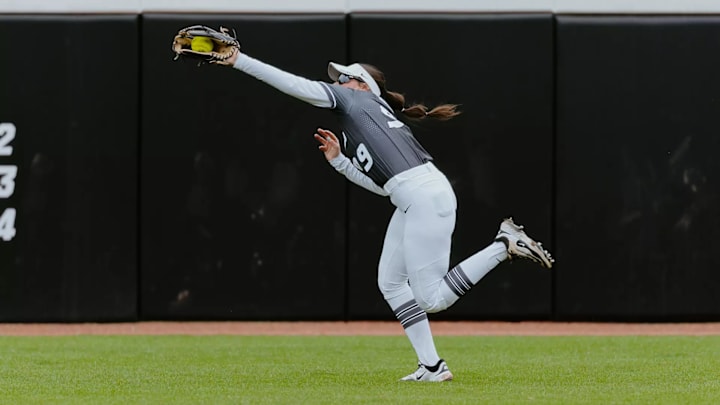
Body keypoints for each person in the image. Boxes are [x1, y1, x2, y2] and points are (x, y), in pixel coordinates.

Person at [218, 51, 554, 382]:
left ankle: (503, 244)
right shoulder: (366, 117)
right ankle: (433, 367)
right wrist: (339, 161)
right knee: (391, 283)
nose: (340, 83)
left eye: (345, 78)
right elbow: (385, 188)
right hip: (415, 198)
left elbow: (296, 85)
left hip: (423, 197)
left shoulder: (354, 102)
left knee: (432, 298)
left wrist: (239, 60)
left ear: (362, 85)